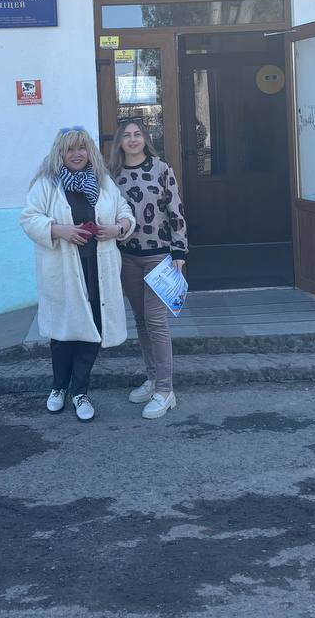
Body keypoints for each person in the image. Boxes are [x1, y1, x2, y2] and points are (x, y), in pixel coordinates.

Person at [20, 126, 135, 422]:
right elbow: (29, 218)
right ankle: (58, 387)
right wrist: (60, 230)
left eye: (81, 148)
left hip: (98, 268)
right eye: (69, 149)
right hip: (63, 270)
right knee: (63, 332)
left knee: (92, 328)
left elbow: (125, 212)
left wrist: (118, 228)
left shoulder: (103, 182)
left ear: (89, 151)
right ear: (59, 153)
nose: (76, 154)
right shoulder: (47, 184)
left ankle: (80, 392)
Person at [110, 118, 188, 419]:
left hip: (159, 255)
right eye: (127, 135)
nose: (132, 139)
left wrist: (179, 249)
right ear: (120, 141)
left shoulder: (161, 168)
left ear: (145, 138)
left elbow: (175, 209)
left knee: (156, 321)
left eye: (137, 134)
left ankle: (166, 390)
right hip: (127, 256)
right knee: (141, 321)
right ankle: (153, 378)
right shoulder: (112, 174)